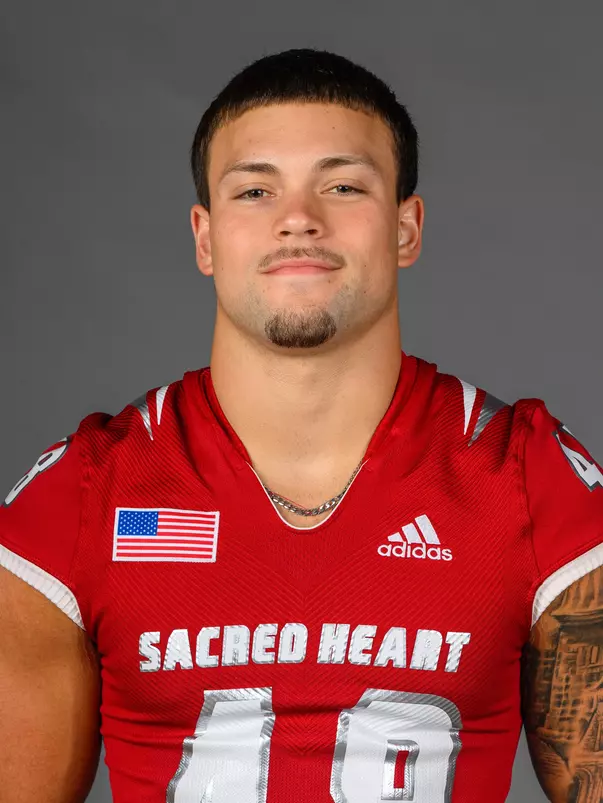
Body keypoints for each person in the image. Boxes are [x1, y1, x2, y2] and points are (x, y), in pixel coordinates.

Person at [1, 47, 602, 803]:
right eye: (254, 190)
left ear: (406, 228)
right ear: (205, 236)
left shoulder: (526, 477)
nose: (297, 220)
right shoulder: (83, 494)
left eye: (343, 185)